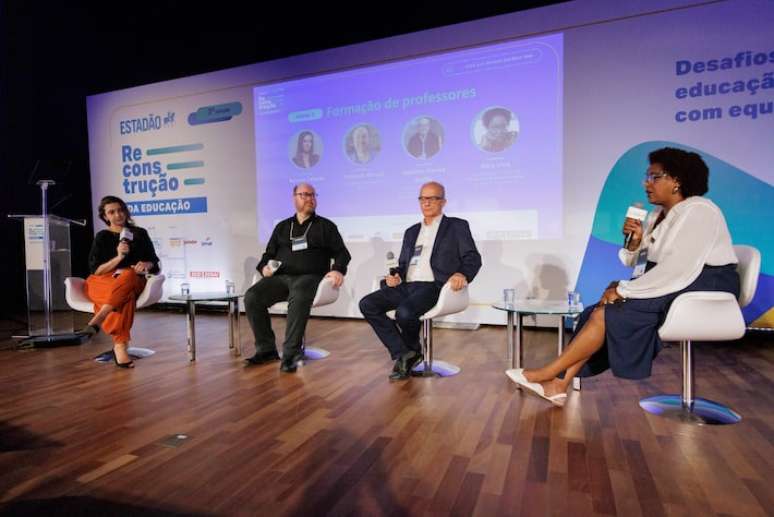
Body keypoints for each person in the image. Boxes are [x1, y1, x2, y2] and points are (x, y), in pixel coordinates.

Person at [507, 148, 740, 406]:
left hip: (703, 285)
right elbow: (638, 264)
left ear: (677, 180)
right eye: (646, 176)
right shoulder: (656, 216)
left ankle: (547, 374)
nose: (646, 183)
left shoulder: (699, 210)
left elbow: (678, 268)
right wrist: (634, 243)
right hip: (671, 282)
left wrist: (624, 290)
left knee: (606, 313)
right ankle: (558, 386)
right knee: (593, 313)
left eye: (654, 176)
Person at [359, 181, 482, 381]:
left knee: (404, 313)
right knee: (367, 304)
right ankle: (405, 353)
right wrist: (395, 275)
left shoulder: (457, 226)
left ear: (443, 201)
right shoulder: (411, 231)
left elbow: (472, 258)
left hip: (434, 285)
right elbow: (404, 263)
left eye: (432, 198)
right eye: (422, 198)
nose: (426, 203)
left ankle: (409, 352)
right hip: (407, 285)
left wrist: (462, 274)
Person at [244, 182, 351, 373]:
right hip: (282, 278)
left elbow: (342, 253)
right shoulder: (283, 227)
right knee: (252, 296)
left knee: (300, 291)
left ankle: (291, 354)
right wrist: (264, 269)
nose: (311, 199)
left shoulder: (325, 226)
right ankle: (266, 349)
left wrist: (337, 269)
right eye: (305, 195)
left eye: (313, 195)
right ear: (294, 198)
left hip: (311, 278)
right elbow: (267, 256)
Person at [80, 195, 160, 368]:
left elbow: (155, 263)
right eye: (112, 212)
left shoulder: (139, 233)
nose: (118, 215)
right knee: (125, 297)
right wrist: (118, 257)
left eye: (120, 210)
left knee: (129, 275)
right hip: (105, 282)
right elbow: (96, 271)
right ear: (105, 216)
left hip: (132, 279)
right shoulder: (102, 237)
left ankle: (101, 316)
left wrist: (147, 264)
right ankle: (120, 346)